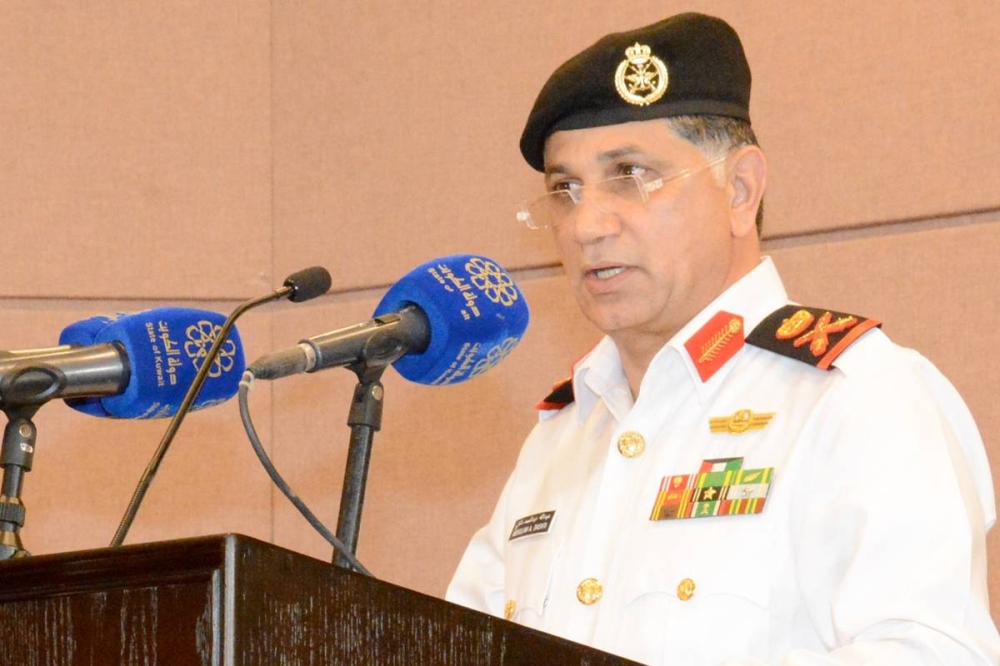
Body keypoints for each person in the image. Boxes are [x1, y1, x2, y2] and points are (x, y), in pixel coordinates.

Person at [445, 12, 1000, 666]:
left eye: (631, 175)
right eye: (564, 189)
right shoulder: (561, 438)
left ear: (740, 190)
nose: (586, 225)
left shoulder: (856, 398)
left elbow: (933, 655)